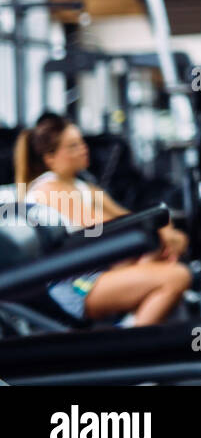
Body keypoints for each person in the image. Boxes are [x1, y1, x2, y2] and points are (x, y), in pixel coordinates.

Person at [15, 113, 191, 327]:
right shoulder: (48, 188)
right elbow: (101, 227)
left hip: (97, 272)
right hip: (74, 285)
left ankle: (132, 328)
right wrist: (160, 233)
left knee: (163, 251)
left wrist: (166, 231)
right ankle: (126, 350)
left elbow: (126, 217)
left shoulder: (81, 186)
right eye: (72, 146)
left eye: (81, 142)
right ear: (50, 158)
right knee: (176, 277)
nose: (83, 149)